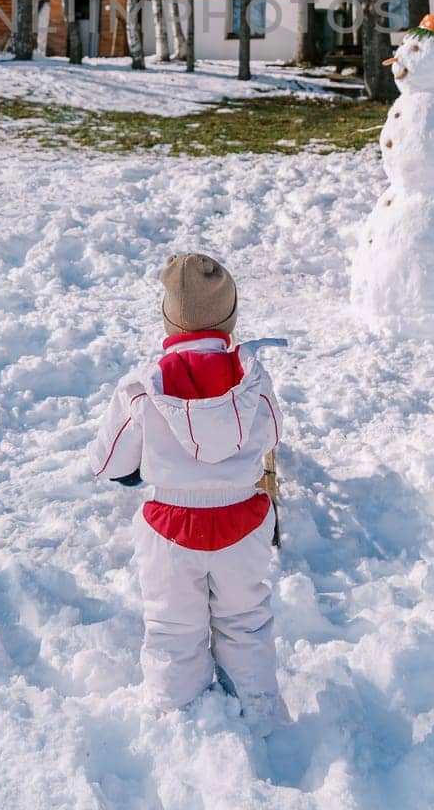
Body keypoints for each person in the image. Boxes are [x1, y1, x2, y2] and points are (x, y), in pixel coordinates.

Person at [87, 252, 287, 731]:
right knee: (245, 622)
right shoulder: (253, 381)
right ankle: (259, 711)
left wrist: (137, 468)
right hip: (243, 520)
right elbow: (271, 436)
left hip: (172, 527)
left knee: (174, 628)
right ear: (229, 317)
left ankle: (179, 720)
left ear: (169, 318)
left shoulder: (141, 387)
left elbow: (108, 463)